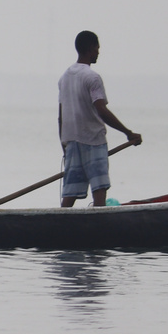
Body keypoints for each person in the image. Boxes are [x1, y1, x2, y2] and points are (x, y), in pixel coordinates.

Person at [57, 30, 141, 208]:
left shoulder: (64, 78)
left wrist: (64, 144)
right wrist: (128, 133)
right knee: (99, 191)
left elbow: (60, 116)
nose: (98, 52)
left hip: (71, 142)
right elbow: (101, 110)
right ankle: (99, 227)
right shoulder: (92, 77)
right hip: (93, 140)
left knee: (69, 195)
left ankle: (61, 227)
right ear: (90, 48)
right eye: (97, 48)